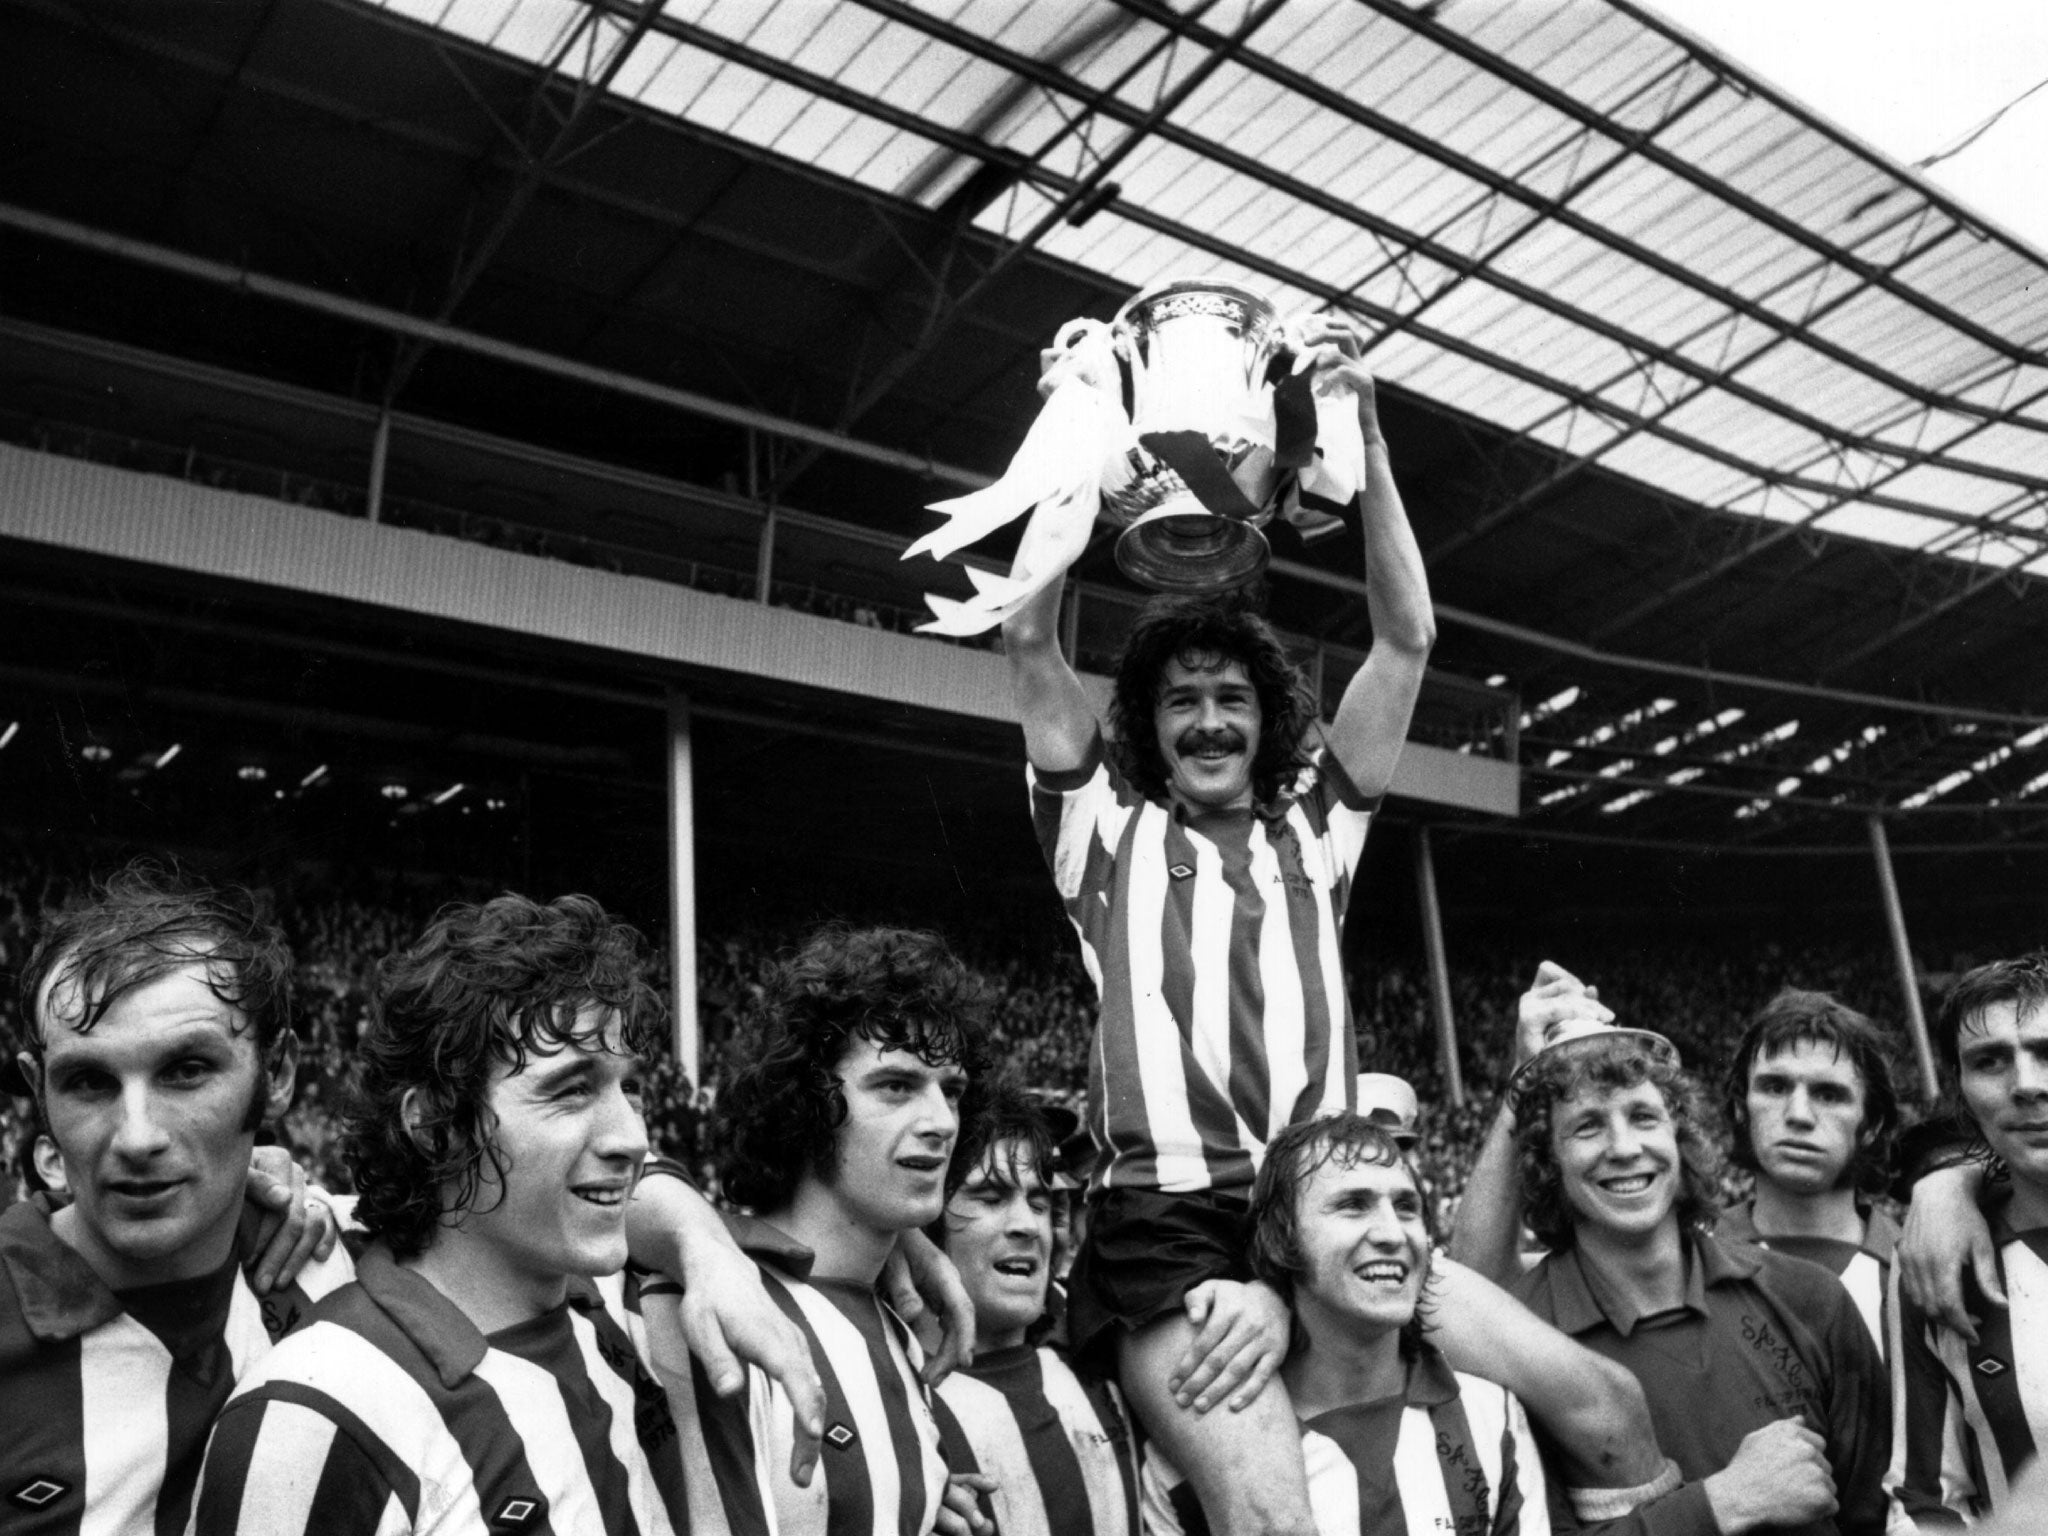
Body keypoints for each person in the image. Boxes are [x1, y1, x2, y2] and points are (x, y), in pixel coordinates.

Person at [1004, 316, 1662, 1534]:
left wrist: (1360, 428)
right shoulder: (1101, 837)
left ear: (1268, 723)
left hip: (1331, 1202)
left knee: (1606, 1406)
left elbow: (1406, 638)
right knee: (1274, 1520)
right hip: (1173, 1228)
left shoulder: (1317, 834)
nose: (1207, 720)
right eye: (1182, 701)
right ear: (1146, 728)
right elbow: (1030, 635)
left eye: (1232, 699)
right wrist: (1072, 431)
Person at [189, 892, 689, 1533]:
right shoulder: (318, 1409)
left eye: (632, 1089)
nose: (633, 1137)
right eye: (570, 1090)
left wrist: (702, 1238)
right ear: (432, 1125)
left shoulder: (623, 1326)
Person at [1459, 977, 1889, 1536]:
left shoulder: (1809, 1298)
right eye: (1588, 1126)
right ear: (1547, 1163)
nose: (1624, 1148)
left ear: (1680, 1141)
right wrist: (1719, 1505)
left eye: (1643, 1117)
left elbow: (1878, 1519)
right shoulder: (1521, 1336)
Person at [1, 863, 349, 1535]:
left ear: (276, 1075)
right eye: (88, 1082)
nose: (137, 1137)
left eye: (187, 1071)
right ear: (36, 1090)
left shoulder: (342, 1254)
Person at [647, 925, 996, 1536]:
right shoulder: (716, 1299)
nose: (941, 1121)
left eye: (953, 1092)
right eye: (896, 1086)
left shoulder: (898, 1326)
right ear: (806, 1101)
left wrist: (899, 1494)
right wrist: (687, 1230)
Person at [1147, 1110, 1553, 1536]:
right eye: (1352, 1206)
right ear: (1282, 1240)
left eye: (1406, 1207)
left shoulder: (1492, 1415)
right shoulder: (1194, 1455)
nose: (1393, 1234)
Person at [929, 1080, 1141, 1536]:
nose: (1029, 1225)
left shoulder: (1112, 1361)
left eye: (1039, 1201)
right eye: (990, 1197)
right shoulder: (894, 1407)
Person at [1887, 952, 2048, 1524]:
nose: (2027, 1084)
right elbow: (1926, 1501)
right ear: (1962, 1091)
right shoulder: (1936, 1263)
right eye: (1990, 1061)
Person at [1716, 990, 1903, 1351]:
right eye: (1775, 1087)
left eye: (1829, 1095)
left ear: (1872, 1124)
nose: (1798, 1115)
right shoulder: (1686, 1260)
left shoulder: (1919, 1272)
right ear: (1742, 1107)